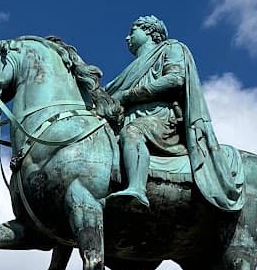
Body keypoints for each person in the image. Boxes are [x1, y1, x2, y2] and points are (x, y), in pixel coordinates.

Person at [104, 15, 243, 212]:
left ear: (150, 32)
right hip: (129, 117)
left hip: (161, 119)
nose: (127, 38)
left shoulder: (170, 48)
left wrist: (127, 96)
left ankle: (137, 189)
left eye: (133, 31)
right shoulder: (129, 70)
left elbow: (175, 78)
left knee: (132, 133)